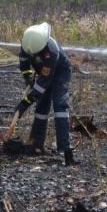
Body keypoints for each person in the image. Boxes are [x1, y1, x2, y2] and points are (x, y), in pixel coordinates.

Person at [15, 22, 77, 165]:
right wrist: (27, 77)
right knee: (41, 107)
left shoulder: (52, 51)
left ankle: (66, 150)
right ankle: (36, 144)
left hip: (60, 73)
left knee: (59, 105)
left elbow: (44, 82)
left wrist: (25, 102)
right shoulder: (27, 46)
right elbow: (24, 64)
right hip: (43, 74)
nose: (33, 55)